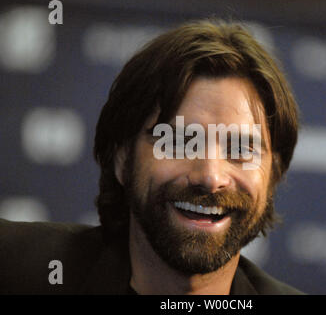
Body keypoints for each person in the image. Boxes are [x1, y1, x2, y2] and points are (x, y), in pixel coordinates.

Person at [0, 19, 302, 295]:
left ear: (273, 174)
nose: (211, 177)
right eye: (180, 141)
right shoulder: (16, 269)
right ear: (122, 159)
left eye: (240, 150)